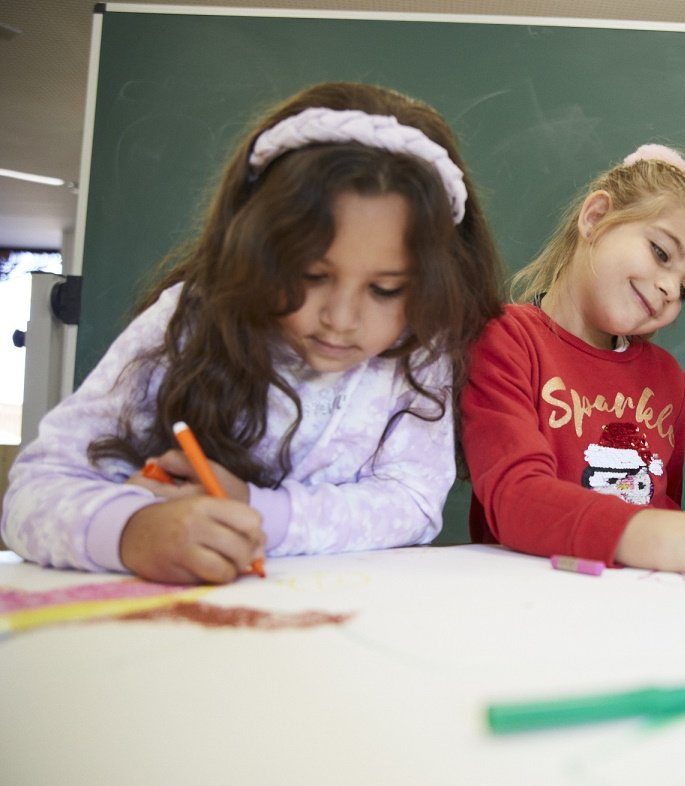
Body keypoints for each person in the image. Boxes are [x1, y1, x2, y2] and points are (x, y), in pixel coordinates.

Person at [1, 82, 503, 584]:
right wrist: (132, 530)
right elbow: (31, 493)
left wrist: (256, 510)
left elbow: (412, 504)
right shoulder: (188, 319)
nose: (341, 319)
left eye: (386, 289)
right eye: (311, 276)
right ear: (255, 247)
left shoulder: (417, 350)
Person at [461, 144, 685, 579]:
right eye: (661, 253)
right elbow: (516, 500)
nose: (668, 290)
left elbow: (662, 503)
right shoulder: (505, 339)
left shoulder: (667, 379)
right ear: (595, 218)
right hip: (528, 600)